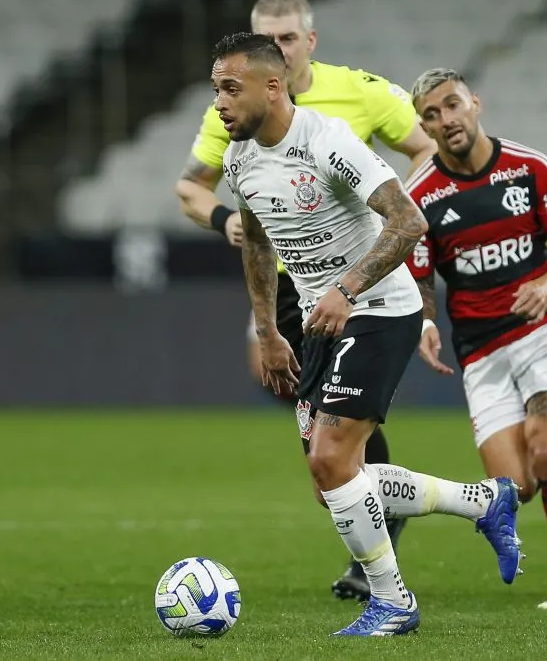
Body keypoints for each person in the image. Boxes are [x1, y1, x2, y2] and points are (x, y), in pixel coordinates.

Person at [212, 33, 524, 636]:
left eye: (231, 88)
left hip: (379, 307)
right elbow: (255, 240)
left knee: (332, 459)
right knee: (333, 482)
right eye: (216, 90)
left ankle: (393, 603)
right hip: (314, 320)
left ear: (273, 87)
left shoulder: (328, 142)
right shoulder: (240, 158)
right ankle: (485, 502)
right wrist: (268, 330)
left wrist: (347, 289)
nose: (220, 104)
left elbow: (410, 221)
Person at [174, 0, 436, 601]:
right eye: (272, 39)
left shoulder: (352, 105)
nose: (283, 49)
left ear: (307, 43)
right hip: (295, 292)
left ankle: (386, 590)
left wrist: (377, 221)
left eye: (290, 39)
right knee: (324, 465)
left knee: (333, 455)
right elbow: (205, 198)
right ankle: (476, 505)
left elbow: (417, 177)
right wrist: (260, 315)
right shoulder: (237, 132)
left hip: (364, 286)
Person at [404, 67, 547, 608]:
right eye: (431, 114)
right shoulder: (421, 195)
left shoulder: (529, 168)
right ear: (423, 126)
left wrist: (545, 284)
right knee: (515, 489)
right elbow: (422, 274)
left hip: (545, 327)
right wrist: (427, 323)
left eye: (452, 105)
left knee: (546, 454)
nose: (445, 120)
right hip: (480, 349)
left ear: (475, 103)